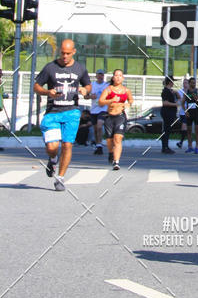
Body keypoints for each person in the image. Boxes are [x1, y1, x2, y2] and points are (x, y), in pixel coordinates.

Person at [34, 39, 91, 191]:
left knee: (67, 144)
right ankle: (53, 158)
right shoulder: (50, 67)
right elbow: (36, 86)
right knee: (52, 147)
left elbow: (88, 84)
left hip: (72, 112)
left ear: (74, 52)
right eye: (62, 53)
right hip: (53, 112)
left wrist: (86, 90)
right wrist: (47, 92)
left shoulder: (80, 68)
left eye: (68, 53)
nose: (65, 56)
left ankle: (60, 178)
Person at [98, 69, 133, 170]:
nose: (118, 77)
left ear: (123, 78)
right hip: (109, 116)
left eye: (120, 75)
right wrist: (111, 100)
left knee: (118, 138)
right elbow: (100, 102)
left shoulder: (126, 90)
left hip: (120, 116)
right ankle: (110, 152)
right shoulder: (108, 89)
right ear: (113, 77)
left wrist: (128, 104)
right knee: (109, 140)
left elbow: (131, 99)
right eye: (116, 75)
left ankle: (116, 162)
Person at [89, 69, 109, 155]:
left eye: (102, 75)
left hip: (103, 109)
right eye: (99, 74)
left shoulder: (106, 85)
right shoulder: (92, 85)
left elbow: (111, 95)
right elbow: (85, 95)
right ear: (96, 76)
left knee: (99, 126)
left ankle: (100, 145)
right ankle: (98, 145)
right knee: (95, 129)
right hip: (94, 109)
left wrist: (105, 100)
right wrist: (90, 96)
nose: (100, 76)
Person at [183, 77, 198, 153]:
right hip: (189, 112)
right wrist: (185, 111)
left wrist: (193, 93)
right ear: (189, 83)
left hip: (196, 112)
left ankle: (196, 147)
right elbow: (182, 103)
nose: (194, 84)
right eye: (192, 83)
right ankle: (190, 146)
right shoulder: (186, 91)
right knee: (189, 131)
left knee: (197, 130)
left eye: (194, 83)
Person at [160, 77, 178, 153]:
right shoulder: (166, 91)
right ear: (170, 82)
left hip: (170, 112)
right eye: (172, 81)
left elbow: (179, 97)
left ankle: (165, 146)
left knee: (167, 130)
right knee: (166, 130)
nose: (173, 83)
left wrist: (175, 92)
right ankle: (165, 147)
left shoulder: (170, 91)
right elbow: (165, 103)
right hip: (167, 112)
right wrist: (175, 104)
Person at [175, 77, 189, 149]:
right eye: (183, 83)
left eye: (186, 83)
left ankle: (181, 142)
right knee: (184, 127)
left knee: (184, 126)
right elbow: (178, 101)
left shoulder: (190, 92)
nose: (184, 84)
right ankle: (183, 141)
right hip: (182, 112)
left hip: (189, 112)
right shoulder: (180, 91)